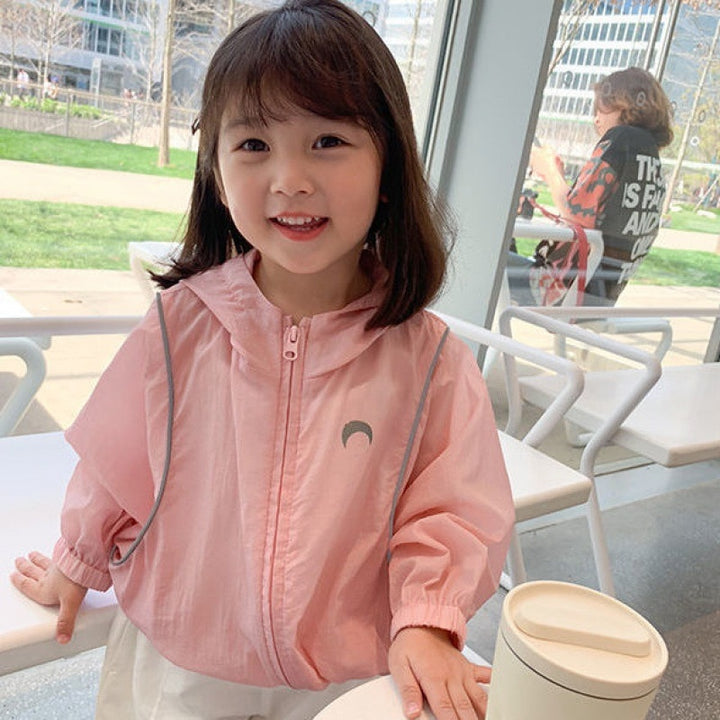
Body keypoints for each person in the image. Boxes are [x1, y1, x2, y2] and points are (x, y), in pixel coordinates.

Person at [10, 1, 514, 718]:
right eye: (253, 144)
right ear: (215, 172)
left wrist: (429, 622)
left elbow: (453, 511)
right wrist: (78, 559)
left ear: (389, 165)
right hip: (184, 662)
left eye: (329, 140)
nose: (290, 177)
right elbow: (114, 465)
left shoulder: (430, 360)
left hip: (349, 674)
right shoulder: (179, 326)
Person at [508, 66, 674, 306]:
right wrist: (558, 177)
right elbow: (597, 220)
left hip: (555, 291)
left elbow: (576, 212)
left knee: (486, 251)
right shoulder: (652, 162)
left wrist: (550, 171)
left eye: (601, 108)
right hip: (596, 300)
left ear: (623, 103)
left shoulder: (620, 139)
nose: (596, 118)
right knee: (503, 251)